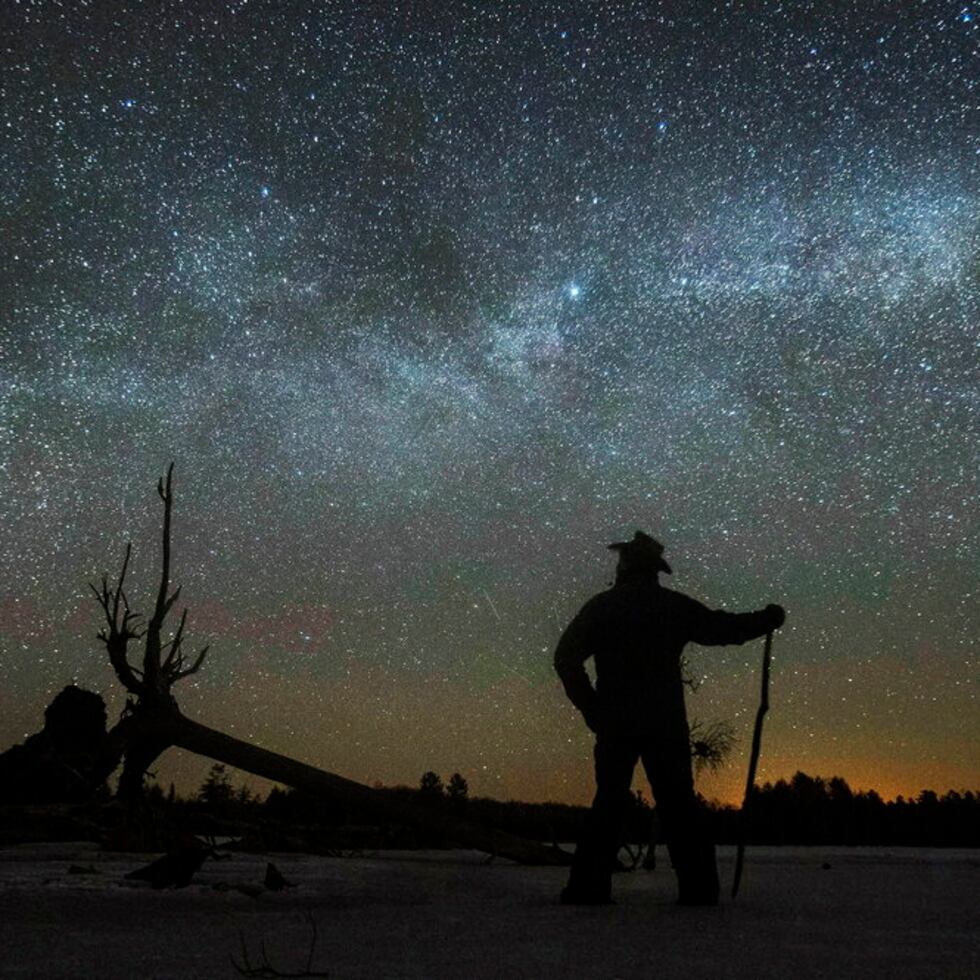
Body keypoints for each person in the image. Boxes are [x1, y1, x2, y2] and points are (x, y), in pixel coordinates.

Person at [554, 531, 785, 905]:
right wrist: (765, 620)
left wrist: (593, 709)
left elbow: (565, 658)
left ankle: (588, 887)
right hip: (663, 723)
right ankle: (699, 890)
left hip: (617, 723)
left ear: (625, 567)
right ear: (654, 570)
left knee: (609, 802)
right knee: (679, 804)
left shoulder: (602, 607)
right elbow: (720, 628)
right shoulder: (670, 607)